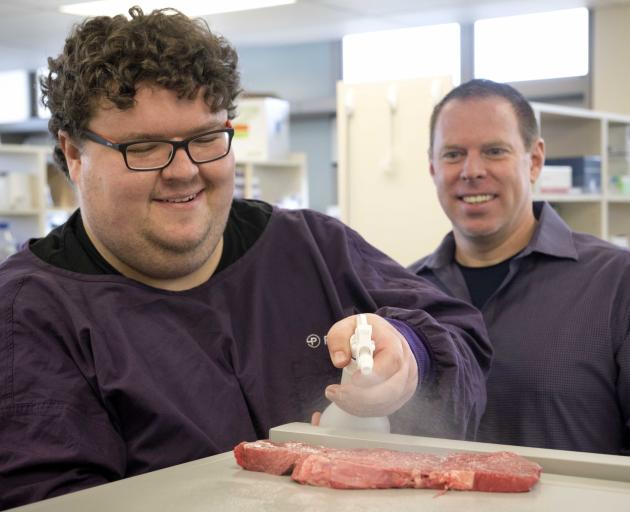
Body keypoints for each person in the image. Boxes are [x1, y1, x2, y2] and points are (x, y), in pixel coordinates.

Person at [0, 8, 491, 509]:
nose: (184, 170)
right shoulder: (28, 317)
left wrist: (410, 354)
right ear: (74, 154)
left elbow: (461, 335)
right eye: (145, 148)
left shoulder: (311, 247)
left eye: (206, 138)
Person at [409, 78, 630, 455]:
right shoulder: (406, 295)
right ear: (432, 166)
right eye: (452, 154)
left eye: (495, 151)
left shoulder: (615, 282)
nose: (471, 170)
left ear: (535, 160)